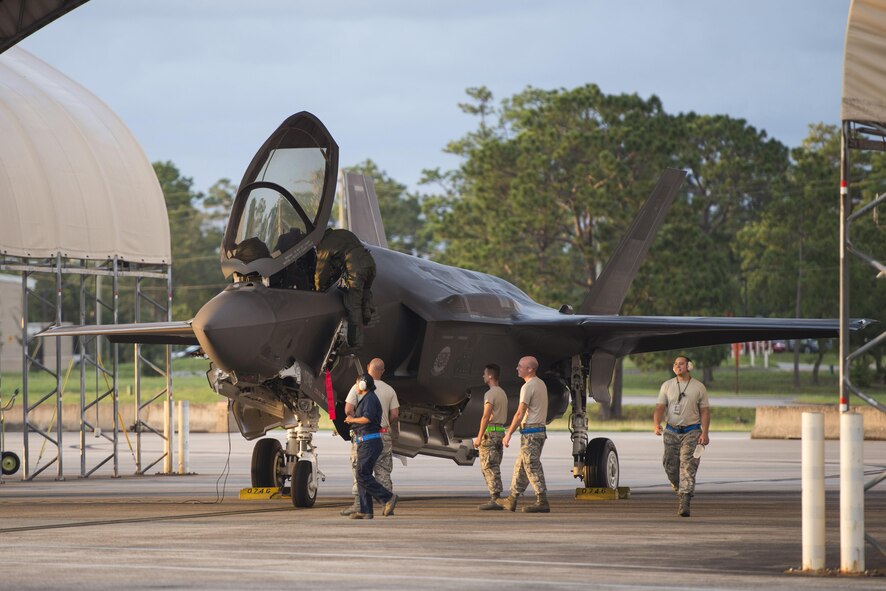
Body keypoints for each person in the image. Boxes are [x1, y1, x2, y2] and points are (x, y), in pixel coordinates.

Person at [653, 356, 711, 517]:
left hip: (692, 432)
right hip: (671, 431)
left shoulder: (699, 387)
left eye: (681, 364)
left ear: (689, 366)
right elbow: (659, 407)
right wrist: (656, 423)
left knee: (687, 466)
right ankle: (681, 489)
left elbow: (705, 411)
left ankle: (685, 500)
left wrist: (705, 432)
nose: (678, 366)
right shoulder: (667, 386)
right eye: (676, 364)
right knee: (670, 466)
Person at [341, 358, 400, 516]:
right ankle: (366, 510)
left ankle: (387, 498)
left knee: (361, 473)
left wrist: (353, 420)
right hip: (382, 435)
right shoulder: (389, 390)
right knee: (382, 471)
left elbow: (351, 411)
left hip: (368, 438)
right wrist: (384, 424)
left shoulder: (368, 398)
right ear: (382, 370)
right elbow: (395, 414)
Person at [499, 356, 550, 513]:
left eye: (520, 366)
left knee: (531, 465)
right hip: (538, 432)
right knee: (521, 466)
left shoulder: (528, 387)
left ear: (530, 369)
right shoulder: (540, 384)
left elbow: (520, 413)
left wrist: (508, 434)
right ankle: (512, 499)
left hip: (531, 433)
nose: (517, 368)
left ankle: (542, 500)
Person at [314, 228, 376, 350]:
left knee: (353, 304)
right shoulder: (342, 233)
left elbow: (321, 272)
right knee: (365, 291)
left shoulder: (325, 244)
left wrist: (318, 289)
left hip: (356, 266)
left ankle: (354, 343)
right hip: (370, 263)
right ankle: (368, 314)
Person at [473, 363, 508, 511]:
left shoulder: (490, 394)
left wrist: (479, 436)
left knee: (488, 466)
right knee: (495, 465)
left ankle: (495, 499)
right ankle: (496, 497)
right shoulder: (502, 393)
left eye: (484, 373)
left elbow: (486, 415)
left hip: (491, 432)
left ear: (490, 376)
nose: (483, 376)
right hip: (500, 431)